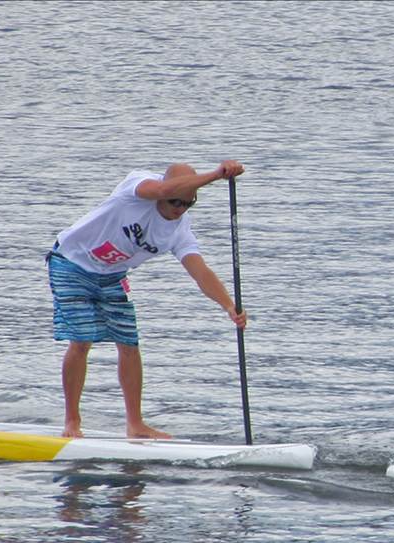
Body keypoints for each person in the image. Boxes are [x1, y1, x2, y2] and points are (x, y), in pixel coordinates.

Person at [47, 160, 248, 439]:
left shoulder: (180, 230)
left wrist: (228, 306)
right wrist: (216, 174)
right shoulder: (136, 187)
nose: (179, 209)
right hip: (71, 262)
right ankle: (72, 423)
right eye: (175, 202)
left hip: (112, 274)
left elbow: (200, 271)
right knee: (82, 340)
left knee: (129, 343)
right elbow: (166, 188)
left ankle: (136, 425)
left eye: (187, 204)